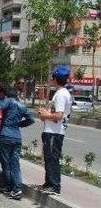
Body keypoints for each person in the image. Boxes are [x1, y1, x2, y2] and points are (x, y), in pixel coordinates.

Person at [0, 84, 35, 200]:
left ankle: (10, 187)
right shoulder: (22, 105)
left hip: (5, 136)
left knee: (6, 164)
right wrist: (18, 124)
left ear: (6, 94)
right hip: (17, 137)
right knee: (15, 164)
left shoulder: (9, 101)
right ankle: (18, 188)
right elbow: (31, 120)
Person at [38, 66, 73, 196]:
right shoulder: (60, 93)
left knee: (52, 158)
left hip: (55, 132)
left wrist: (45, 114)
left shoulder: (61, 94)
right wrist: (46, 114)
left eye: (52, 77)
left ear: (55, 79)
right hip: (52, 130)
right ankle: (48, 183)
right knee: (48, 158)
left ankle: (54, 185)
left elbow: (58, 116)